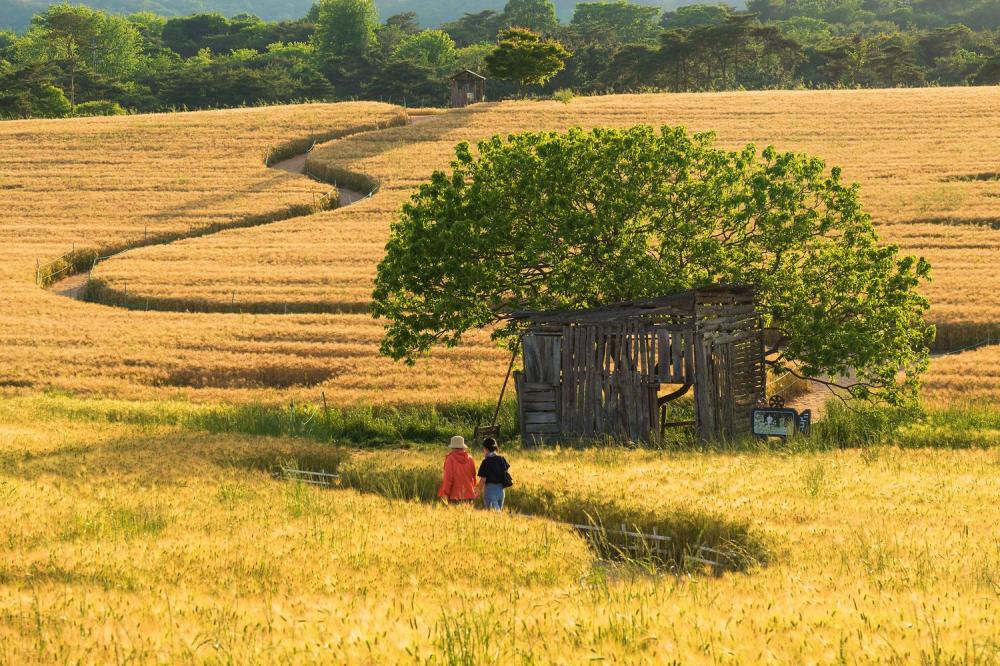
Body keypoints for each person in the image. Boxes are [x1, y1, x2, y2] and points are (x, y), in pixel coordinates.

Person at [437, 435, 478, 505]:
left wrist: (445, 493)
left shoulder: (450, 459)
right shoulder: (470, 459)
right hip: (469, 494)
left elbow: (448, 478)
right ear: (463, 446)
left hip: (454, 495)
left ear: (452, 447)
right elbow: (473, 477)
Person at [476, 437, 511, 511]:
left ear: (486, 449)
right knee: (497, 515)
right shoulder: (502, 459)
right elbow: (505, 473)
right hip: (501, 492)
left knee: (494, 515)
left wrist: (478, 492)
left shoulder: (486, 462)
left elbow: (483, 479)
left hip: (490, 492)